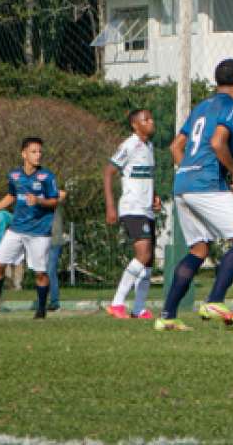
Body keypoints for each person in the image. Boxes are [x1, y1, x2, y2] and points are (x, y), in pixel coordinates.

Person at [157, 59, 233, 332]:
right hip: (205, 183)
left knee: (199, 249)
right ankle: (215, 300)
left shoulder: (202, 107)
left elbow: (176, 146)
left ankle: (167, 315)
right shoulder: (232, 107)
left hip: (183, 183)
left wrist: (189, 169)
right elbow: (217, 142)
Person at [0, 138, 66, 319]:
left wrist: (39, 200)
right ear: (23, 154)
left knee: (40, 273)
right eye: (34, 151)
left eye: (40, 152)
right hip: (16, 229)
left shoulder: (47, 177)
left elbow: (55, 200)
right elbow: (11, 196)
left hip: (39, 232)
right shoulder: (15, 175)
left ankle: (41, 310)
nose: (38, 155)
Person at [104, 107, 160, 320]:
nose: (151, 122)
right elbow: (108, 172)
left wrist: (154, 195)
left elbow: (146, 175)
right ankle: (117, 303)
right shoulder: (129, 145)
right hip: (132, 207)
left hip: (146, 208)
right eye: (146, 119)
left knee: (148, 261)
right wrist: (111, 206)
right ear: (135, 125)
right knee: (142, 254)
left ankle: (138, 308)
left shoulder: (150, 146)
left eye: (151, 118)